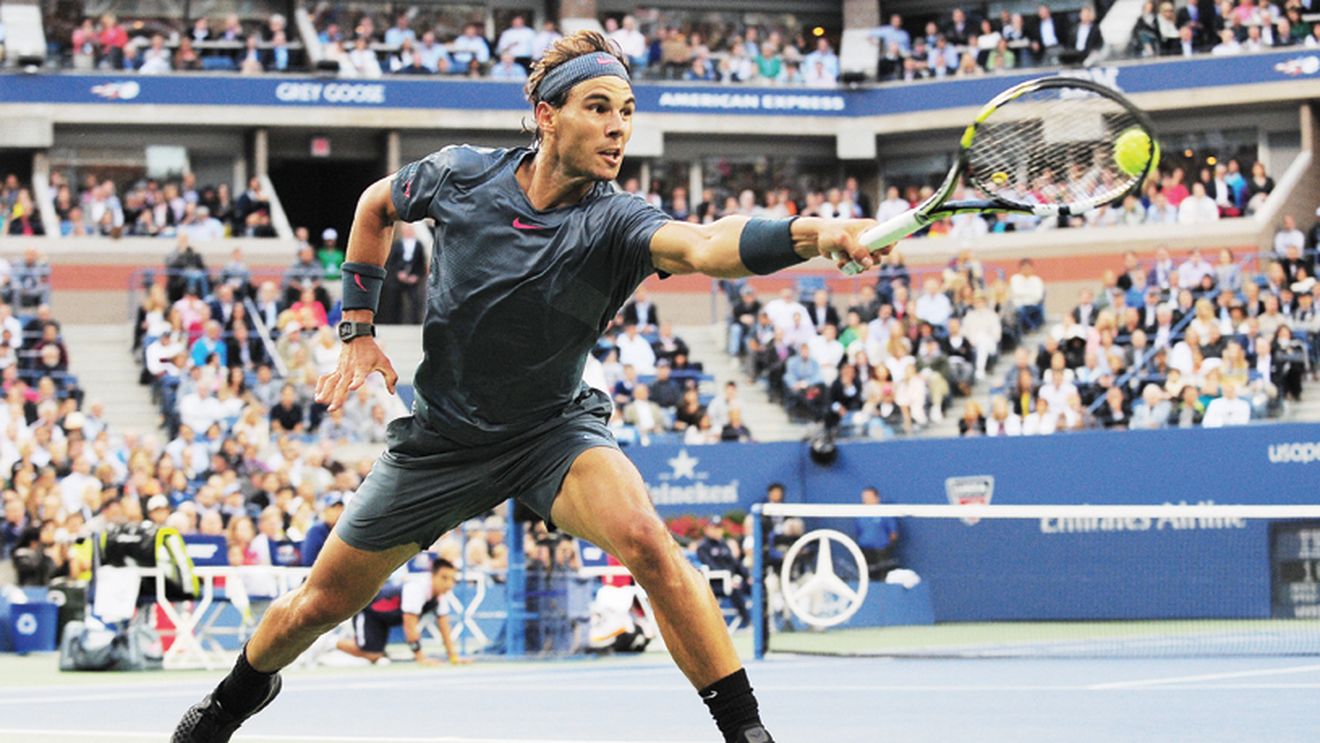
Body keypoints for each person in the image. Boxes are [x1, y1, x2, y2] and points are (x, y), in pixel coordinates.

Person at [172, 30, 885, 743]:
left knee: (646, 537)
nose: (617, 127)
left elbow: (706, 244)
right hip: (441, 442)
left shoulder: (616, 219)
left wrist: (813, 232)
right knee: (317, 604)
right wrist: (357, 325)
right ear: (547, 115)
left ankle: (747, 733)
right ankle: (230, 701)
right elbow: (373, 206)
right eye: (598, 106)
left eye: (627, 111)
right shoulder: (461, 177)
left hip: (552, 433)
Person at [334, 557, 465, 666]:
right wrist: (421, 658)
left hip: (386, 619)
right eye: (444, 578)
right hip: (368, 610)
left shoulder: (440, 597)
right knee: (372, 655)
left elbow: (444, 627)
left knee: (377, 656)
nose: (449, 584)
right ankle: (331, 643)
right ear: (433, 575)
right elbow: (410, 627)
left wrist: (453, 657)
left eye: (452, 580)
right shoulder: (417, 589)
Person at [854, 486, 899, 580]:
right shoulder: (860, 514)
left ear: (876, 498)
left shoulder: (885, 513)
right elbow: (858, 531)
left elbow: (893, 533)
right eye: (864, 497)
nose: (865, 499)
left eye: (868, 497)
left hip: (881, 552)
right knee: (865, 577)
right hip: (865, 551)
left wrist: (886, 548)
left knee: (882, 577)